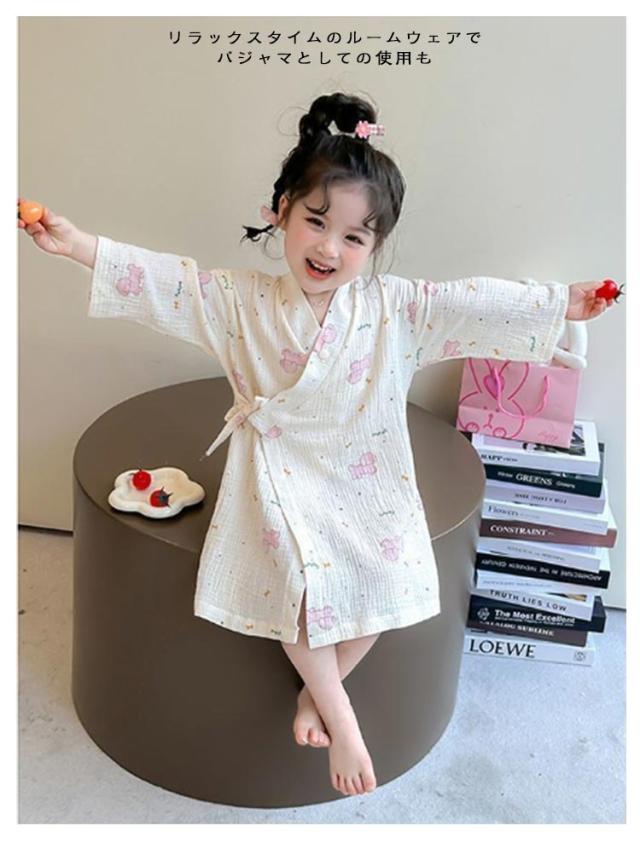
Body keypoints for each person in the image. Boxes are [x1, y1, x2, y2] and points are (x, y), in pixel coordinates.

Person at [18, 91, 614, 799]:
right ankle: (341, 713)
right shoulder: (239, 299)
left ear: (376, 247)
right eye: (316, 221)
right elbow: (166, 283)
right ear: (282, 211)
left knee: (395, 577)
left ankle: (314, 693)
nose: (330, 248)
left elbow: (468, 300)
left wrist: (560, 303)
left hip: (364, 463)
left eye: (355, 237)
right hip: (275, 465)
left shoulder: (396, 308)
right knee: (289, 580)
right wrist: (78, 245)